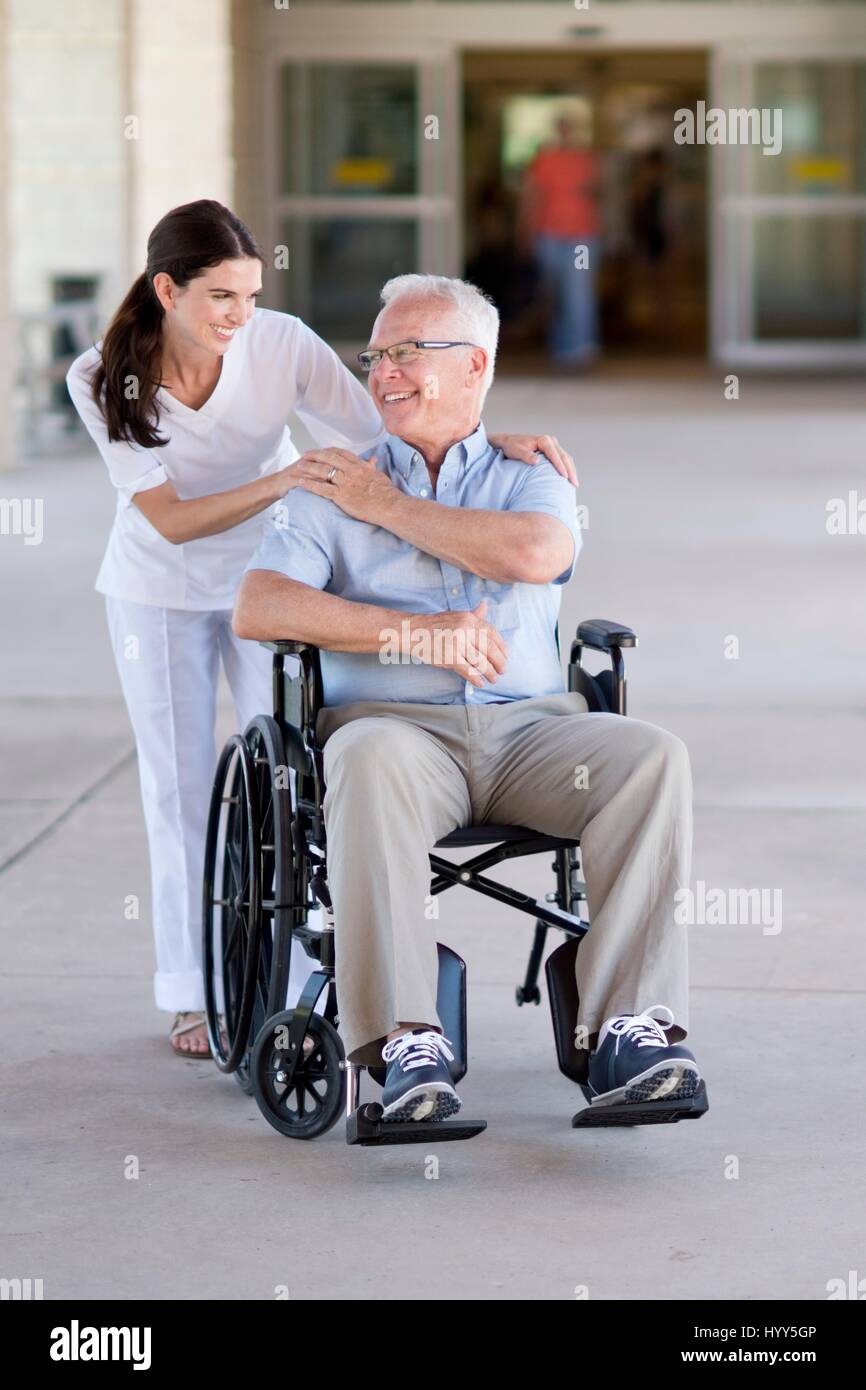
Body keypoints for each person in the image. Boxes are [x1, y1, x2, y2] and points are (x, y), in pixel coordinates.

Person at [66, 201, 578, 1058]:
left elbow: (387, 427)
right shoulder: (101, 376)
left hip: (275, 571)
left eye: (252, 294)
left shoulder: (282, 343)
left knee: (287, 772)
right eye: (222, 296)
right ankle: (192, 991)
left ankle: (313, 967)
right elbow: (172, 521)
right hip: (160, 586)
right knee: (180, 786)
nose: (241, 314)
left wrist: (489, 434)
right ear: (167, 290)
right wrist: (287, 478)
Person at [233, 274, 703, 1121]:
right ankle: (409, 1044)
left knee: (651, 757)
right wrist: (413, 632)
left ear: (476, 366)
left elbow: (533, 553)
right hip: (397, 738)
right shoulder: (335, 484)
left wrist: (392, 506)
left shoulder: (532, 473)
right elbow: (260, 606)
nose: (384, 372)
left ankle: (628, 1030)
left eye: (410, 352)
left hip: (531, 738)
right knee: (363, 755)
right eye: (377, 356)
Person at [520, 113, 603, 366]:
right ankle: (562, 347)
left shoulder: (588, 160)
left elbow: (602, 196)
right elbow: (532, 196)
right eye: (563, 128)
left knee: (578, 292)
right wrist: (525, 230)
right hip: (549, 234)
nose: (567, 133)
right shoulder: (543, 160)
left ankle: (582, 347)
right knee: (554, 292)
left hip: (582, 237)